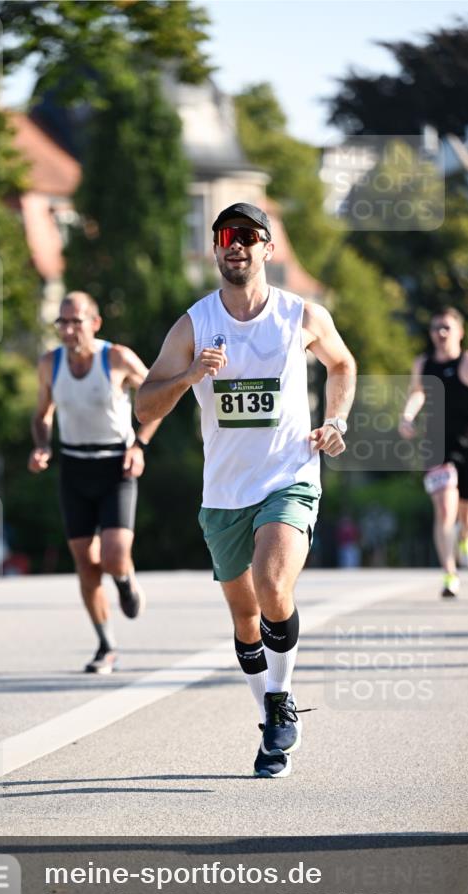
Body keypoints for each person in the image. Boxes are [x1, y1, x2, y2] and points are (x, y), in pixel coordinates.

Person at [136, 203, 356, 779]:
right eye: (226, 236)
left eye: (248, 236)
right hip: (224, 493)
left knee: (272, 583)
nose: (236, 245)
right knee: (244, 618)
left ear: (267, 249)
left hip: (289, 477)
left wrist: (335, 423)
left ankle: (281, 702)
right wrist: (189, 377)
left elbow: (342, 365)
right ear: (215, 249)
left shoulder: (299, 315)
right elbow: (143, 405)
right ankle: (271, 727)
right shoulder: (194, 323)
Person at [28, 291, 161, 673]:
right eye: (62, 322)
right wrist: (41, 446)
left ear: (95, 323)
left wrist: (140, 444)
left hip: (115, 466)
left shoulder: (116, 357)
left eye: (76, 322)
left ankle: (124, 579)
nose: (68, 330)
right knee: (86, 564)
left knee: (115, 555)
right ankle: (106, 646)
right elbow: (42, 414)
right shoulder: (49, 363)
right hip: (73, 466)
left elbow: (158, 397)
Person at [399, 307, 468, 597]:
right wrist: (407, 417)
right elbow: (417, 393)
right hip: (436, 447)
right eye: (436, 328)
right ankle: (449, 575)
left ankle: (466, 536)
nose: (441, 333)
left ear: (459, 332)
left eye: (447, 327)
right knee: (445, 509)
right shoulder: (423, 364)